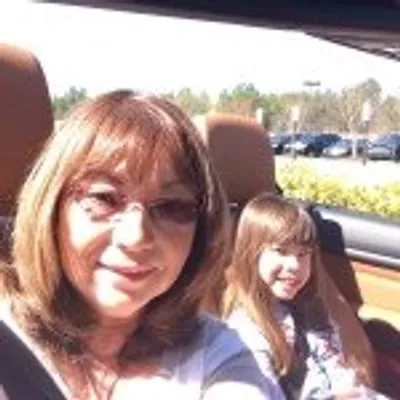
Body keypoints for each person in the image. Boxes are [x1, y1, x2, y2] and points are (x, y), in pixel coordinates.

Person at [0, 91, 285, 399]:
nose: (136, 238)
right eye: (104, 198)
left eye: (172, 207)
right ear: (52, 211)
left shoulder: (218, 354)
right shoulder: (8, 340)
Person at [223, 192, 382, 399]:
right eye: (281, 251)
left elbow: (334, 364)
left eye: (303, 254)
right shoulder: (246, 332)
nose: (294, 265)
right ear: (250, 255)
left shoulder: (308, 306)